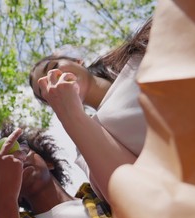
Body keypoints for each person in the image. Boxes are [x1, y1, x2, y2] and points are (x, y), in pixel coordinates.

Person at [29, 18, 152, 204]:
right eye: (45, 87)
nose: (54, 78)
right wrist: (70, 115)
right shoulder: (84, 144)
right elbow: (133, 195)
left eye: (53, 68)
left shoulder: (138, 57)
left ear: (77, 61)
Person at [0, 123, 106, 218]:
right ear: (16, 194)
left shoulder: (104, 196)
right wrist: (2, 197)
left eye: (24, 151)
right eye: (11, 166)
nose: (18, 160)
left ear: (48, 163)